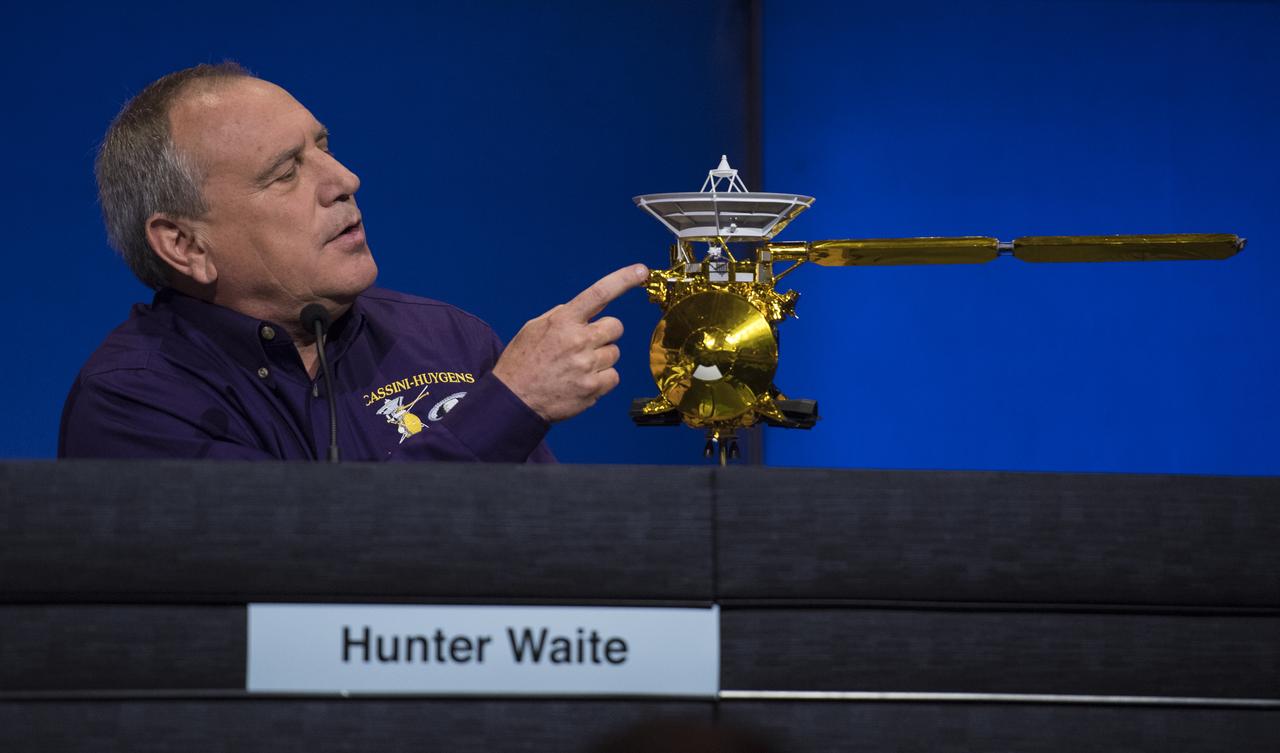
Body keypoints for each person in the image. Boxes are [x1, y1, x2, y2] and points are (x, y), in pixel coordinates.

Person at [59, 63, 646, 462]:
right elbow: (299, 573)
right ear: (185, 245)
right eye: (286, 173)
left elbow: (542, 556)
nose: (345, 181)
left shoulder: (449, 341)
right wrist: (507, 408)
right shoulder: (133, 400)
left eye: (325, 147)